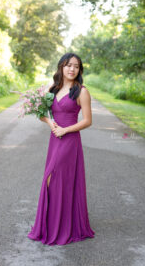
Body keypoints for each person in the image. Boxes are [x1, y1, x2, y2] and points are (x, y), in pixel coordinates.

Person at [27, 52, 95, 245]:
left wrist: (65, 130)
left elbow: (88, 121)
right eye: (68, 65)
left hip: (69, 140)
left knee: (53, 178)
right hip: (55, 139)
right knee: (52, 179)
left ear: (79, 70)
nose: (72, 69)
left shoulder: (82, 91)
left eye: (76, 66)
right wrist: (51, 124)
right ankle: (51, 224)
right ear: (61, 67)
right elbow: (42, 114)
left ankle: (62, 226)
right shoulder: (53, 89)